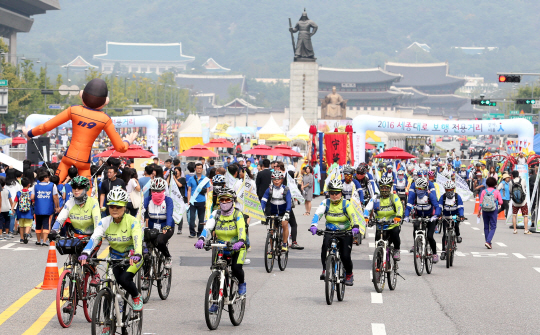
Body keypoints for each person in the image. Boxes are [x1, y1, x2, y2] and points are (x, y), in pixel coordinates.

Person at [22, 79, 137, 182]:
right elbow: (120, 148)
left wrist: (30, 133)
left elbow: (46, 126)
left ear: (82, 95)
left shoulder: (74, 110)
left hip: (68, 157)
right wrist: (127, 141)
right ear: (105, 101)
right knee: (87, 190)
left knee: (54, 184)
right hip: (84, 161)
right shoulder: (105, 119)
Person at [79, 187, 144, 311]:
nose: (115, 209)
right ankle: (107, 325)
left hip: (132, 258)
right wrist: (85, 252)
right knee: (108, 289)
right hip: (114, 257)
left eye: (118, 207)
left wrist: (137, 254)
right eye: (112, 206)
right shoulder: (105, 222)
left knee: (124, 279)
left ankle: (136, 296)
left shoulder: (133, 222)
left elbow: (137, 241)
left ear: (125, 207)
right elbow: (95, 238)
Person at [48, 176, 102, 283]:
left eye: (80, 188)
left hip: (91, 238)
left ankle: (95, 273)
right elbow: (60, 219)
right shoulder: (70, 202)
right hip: (75, 238)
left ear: (86, 189)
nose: (76, 190)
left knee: (87, 260)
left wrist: (95, 236)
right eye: (74, 188)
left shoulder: (93, 203)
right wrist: (54, 230)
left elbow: (98, 224)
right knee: (75, 260)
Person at [195, 187, 247, 298]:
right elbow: (208, 228)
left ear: (232, 201)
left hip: (237, 247)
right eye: (221, 200)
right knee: (216, 271)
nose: (224, 202)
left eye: (227, 200)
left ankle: (242, 284)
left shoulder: (238, 214)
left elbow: (242, 230)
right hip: (221, 247)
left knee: (236, 268)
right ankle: (215, 301)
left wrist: (241, 241)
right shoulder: (216, 213)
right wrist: (202, 238)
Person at [310, 179, 360, 285]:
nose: (334, 195)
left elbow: (353, 216)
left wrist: (355, 226)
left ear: (341, 193)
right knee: (324, 248)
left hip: (345, 232)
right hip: (330, 231)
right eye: (331, 192)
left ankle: (349, 274)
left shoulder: (346, 204)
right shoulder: (326, 202)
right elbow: (318, 214)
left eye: (336, 192)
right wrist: (314, 225)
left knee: (345, 256)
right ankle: (325, 269)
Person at [364, 177, 403, 260]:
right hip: (380, 226)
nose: (384, 190)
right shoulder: (375, 198)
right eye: (382, 187)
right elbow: (368, 208)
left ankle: (397, 250)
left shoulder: (394, 197)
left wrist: (398, 216)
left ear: (390, 188)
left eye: (386, 188)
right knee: (378, 246)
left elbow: (399, 207)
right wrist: (366, 217)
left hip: (392, 224)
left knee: (395, 234)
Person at [404, 177, 439, 260]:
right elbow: (408, 206)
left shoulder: (430, 195)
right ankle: (416, 245)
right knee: (415, 229)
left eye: (421, 188)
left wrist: (435, 216)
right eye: (417, 188)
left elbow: (437, 206)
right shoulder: (414, 195)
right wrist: (406, 216)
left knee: (430, 236)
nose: (419, 190)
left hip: (430, 217)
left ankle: (434, 254)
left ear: (425, 188)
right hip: (418, 216)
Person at [143, 178, 174, 269]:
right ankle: (146, 275)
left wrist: (167, 226)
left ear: (163, 190)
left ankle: (168, 257)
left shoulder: (168, 200)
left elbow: (169, 214)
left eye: (159, 191)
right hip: (152, 226)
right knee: (144, 247)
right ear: (151, 191)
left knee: (159, 241)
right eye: (154, 191)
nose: (156, 193)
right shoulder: (147, 200)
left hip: (166, 226)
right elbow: (140, 212)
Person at [261, 170, 292, 252]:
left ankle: (284, 244)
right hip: (273, 212)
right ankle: (271, 249)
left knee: (284, 224)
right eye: (275, 179)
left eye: (278, 179)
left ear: (282, 180)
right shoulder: (269, 190)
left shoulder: (286, 189)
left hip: (284, 211)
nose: (277, 181)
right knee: (272, 230)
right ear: (272, 180)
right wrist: (261, 210)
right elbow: (264, 200)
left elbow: (289, 202)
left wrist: (287, 212)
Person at [435, 181, 465, 260]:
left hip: (455, 215)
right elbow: (439, 207)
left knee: (456, 225)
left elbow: (460, 207)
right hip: (446, 216)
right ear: (445, 190)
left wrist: (461, 215)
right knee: (445, 234)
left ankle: (458, 235)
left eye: (451, 189)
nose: (449, 191)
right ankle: (443, 251)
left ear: (454, 189)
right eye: (447, 190)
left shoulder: (457, 197)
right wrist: (438, 215)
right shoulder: (443, 197)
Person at [33, 171, 60, 246]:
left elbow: (32, 197)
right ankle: (45, 241)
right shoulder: (52, 185)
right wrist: (57, 206)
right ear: (45, 178)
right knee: (46, 224)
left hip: (38, 208)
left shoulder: (36, 186)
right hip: (48, 208)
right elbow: (55, 197)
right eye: (48, 177)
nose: (49, 178)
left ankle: (38, 240)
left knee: (38, 225)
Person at [478, 177, 503, 249]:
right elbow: (501, 202)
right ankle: (488, 241)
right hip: (493, 210)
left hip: (484, 210)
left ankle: (488, 241)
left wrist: (479, 211)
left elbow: (481, 202)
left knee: (486, 226)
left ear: (487, 184)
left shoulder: (484, 191)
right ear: (495, 184)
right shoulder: (496, 192)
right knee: (493, 226)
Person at [187, 162, 211, 238]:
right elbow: (189, 190)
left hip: (202, 201)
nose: (199, 170)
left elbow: (208, 191)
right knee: (192, 218)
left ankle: (199, 232)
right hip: (193, 201)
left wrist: (208, 201)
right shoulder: (191, 179)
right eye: (197, 168)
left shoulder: (205, 179)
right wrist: (188, 200)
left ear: (202, 169)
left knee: (201, 219)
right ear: (195, 169)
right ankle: (192, 232)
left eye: (200, 168)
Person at [509, 170, 531, 234]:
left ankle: (515, 230)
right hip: (523, 201)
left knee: (514, 215)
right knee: (525, 215)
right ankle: (526, 230)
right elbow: (524, 188)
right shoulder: (523, 180)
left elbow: (510, 191)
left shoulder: (511, 182)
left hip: (515, 202)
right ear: (518, 175)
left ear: (512, 175)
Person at [12, 178, 33, 244]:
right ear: (29, 185)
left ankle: (21, 239)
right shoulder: (30, 193)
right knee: (28, 224)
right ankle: (26, 234)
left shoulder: (19, 193)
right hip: (29, 211)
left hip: (20, 211)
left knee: (21, 225)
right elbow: (33, 202)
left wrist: (12, 208)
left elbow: (15, 201)